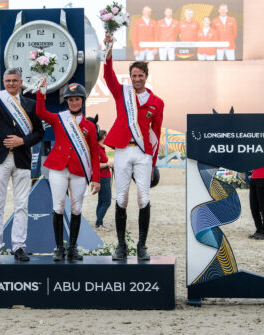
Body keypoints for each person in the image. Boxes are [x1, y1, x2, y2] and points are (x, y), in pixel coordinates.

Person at [104, 32, 164, 261]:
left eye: (140, 75)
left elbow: (156, 135)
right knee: (121, 198)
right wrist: (108, 48)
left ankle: (142, 245)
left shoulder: (157, 102)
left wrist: (154, 163)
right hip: (121, 149)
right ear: (129, 77)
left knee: (143, 198)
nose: (136, 79)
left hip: (143, 154)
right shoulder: (122, 93)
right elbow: (108, 75)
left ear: (146, 77)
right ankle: (121, 246)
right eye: (133, 75)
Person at [0, 67, 44, 262]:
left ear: (21, 82)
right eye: (8, 81)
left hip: (22, 158)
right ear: (3, 82)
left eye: (14, 80)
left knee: (22, 204)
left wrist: (23, 141)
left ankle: (19, 247)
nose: (11, 83)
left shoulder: (30, 105)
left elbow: (39, 132)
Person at [36, 81, 100, 261]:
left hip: (79, 170)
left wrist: (96, 178)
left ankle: (72, 247)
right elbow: (41, 112)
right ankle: (58, 247)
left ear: (82, 101)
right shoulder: (58, 118)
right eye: (71, 100)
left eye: (77, 99)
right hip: (59, 168)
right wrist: (41, 91)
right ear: (67, 101)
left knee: (76, 208)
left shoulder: (89, 126)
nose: (74, 102)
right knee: (58, 206)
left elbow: (95, 153)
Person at [249, 165, 264, 240]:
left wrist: (260, 160)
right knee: (253, 207)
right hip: (253, 179)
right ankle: (259, 230)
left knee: (263, 207)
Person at [95, 128, 113, 228]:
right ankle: (99, 222)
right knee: (107, 201)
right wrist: (107, 163)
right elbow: (96, 164)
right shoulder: (98, 149)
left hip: (103, 176)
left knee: (101, 201)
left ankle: (99, 221)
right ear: (103, 137)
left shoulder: (100, 148)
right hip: (103, 177)